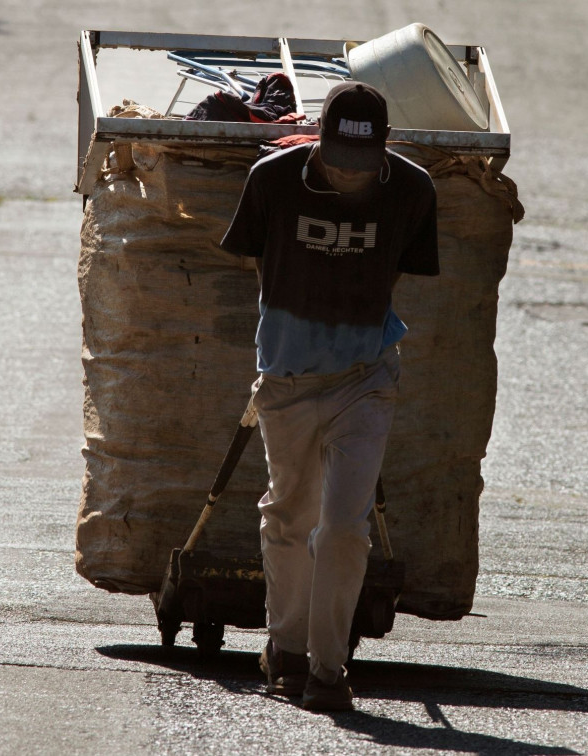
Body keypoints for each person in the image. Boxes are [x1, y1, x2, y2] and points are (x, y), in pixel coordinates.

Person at [219, 82, 439, 712]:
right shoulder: (273, 180)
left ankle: (327, 667)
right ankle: (284, 649)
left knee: (344, 526)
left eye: (363, 164)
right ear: (319, 140)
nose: (349, 172)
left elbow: (397, 271)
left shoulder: (413, 190)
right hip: (288, 380)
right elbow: (256, 265)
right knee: (289, 515)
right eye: (339, 157)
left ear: (385, 152)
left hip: (366, 379)